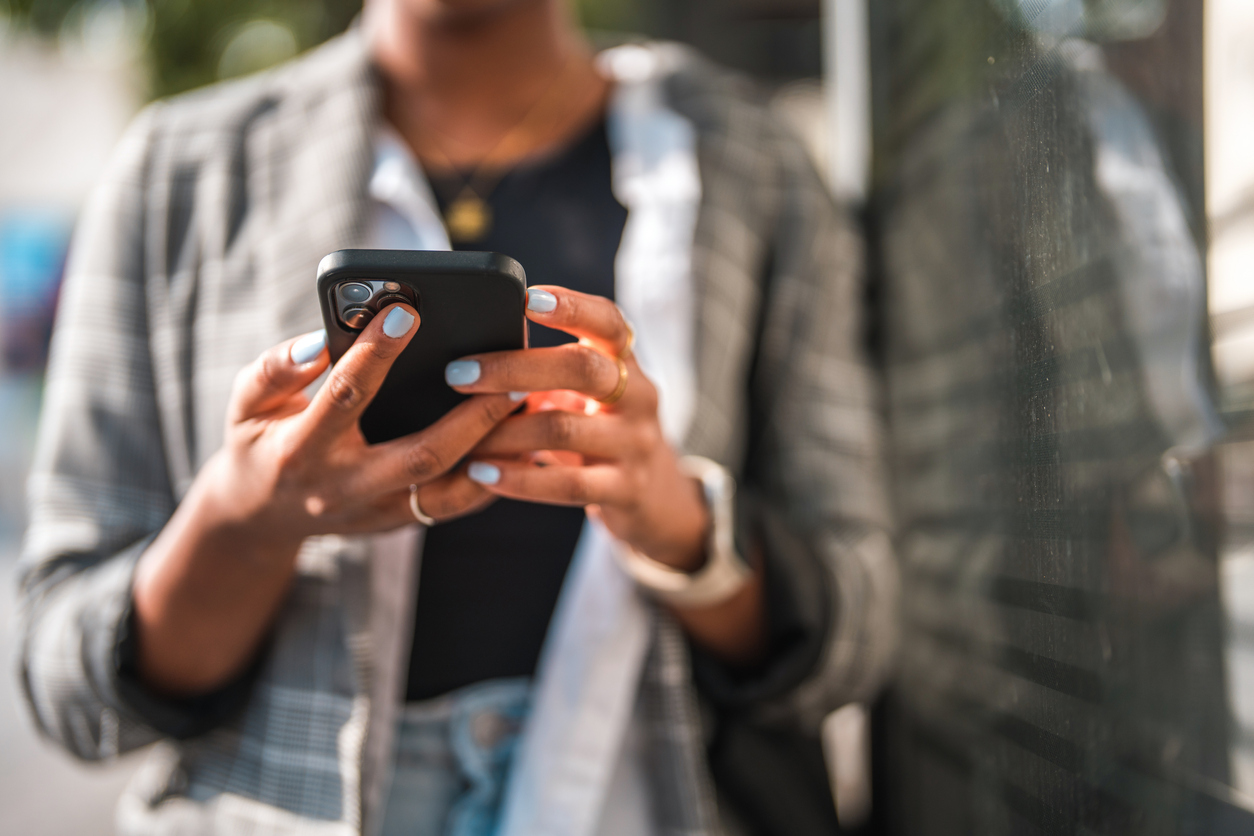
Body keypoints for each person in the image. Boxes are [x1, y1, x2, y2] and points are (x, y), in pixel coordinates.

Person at [17, 0, 896, 833]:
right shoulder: (180, 171)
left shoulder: (750, 163)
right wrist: (247, 521)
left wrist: (685, 535)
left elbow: (859, 632)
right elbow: (63, 680)